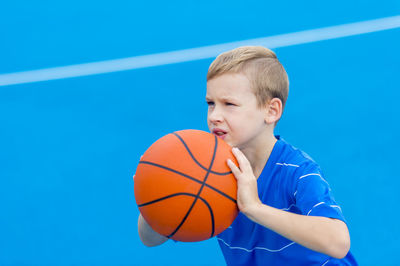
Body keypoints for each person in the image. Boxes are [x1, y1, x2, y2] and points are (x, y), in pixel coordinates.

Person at [137, 46, 357, 265]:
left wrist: (255, 208)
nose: (214, 116)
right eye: (210, 103)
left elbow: (337, 242)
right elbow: (150, 238)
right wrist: (153, 194)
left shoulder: (296, 171)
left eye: (229, 104)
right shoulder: (206, 166)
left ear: (271, 111)